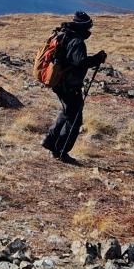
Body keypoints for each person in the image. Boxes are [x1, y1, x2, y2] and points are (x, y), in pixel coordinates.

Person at [40, 10, 106, 164]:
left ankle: (50, 141)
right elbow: (80, 62)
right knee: (74, 119)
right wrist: (97, 58)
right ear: (83, 27)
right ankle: (61, 151)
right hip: (69, 84)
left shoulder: (64, 35)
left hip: (59, 82)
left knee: (66, 112)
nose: (89, 31)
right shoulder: (76, 41)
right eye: (88, 27)